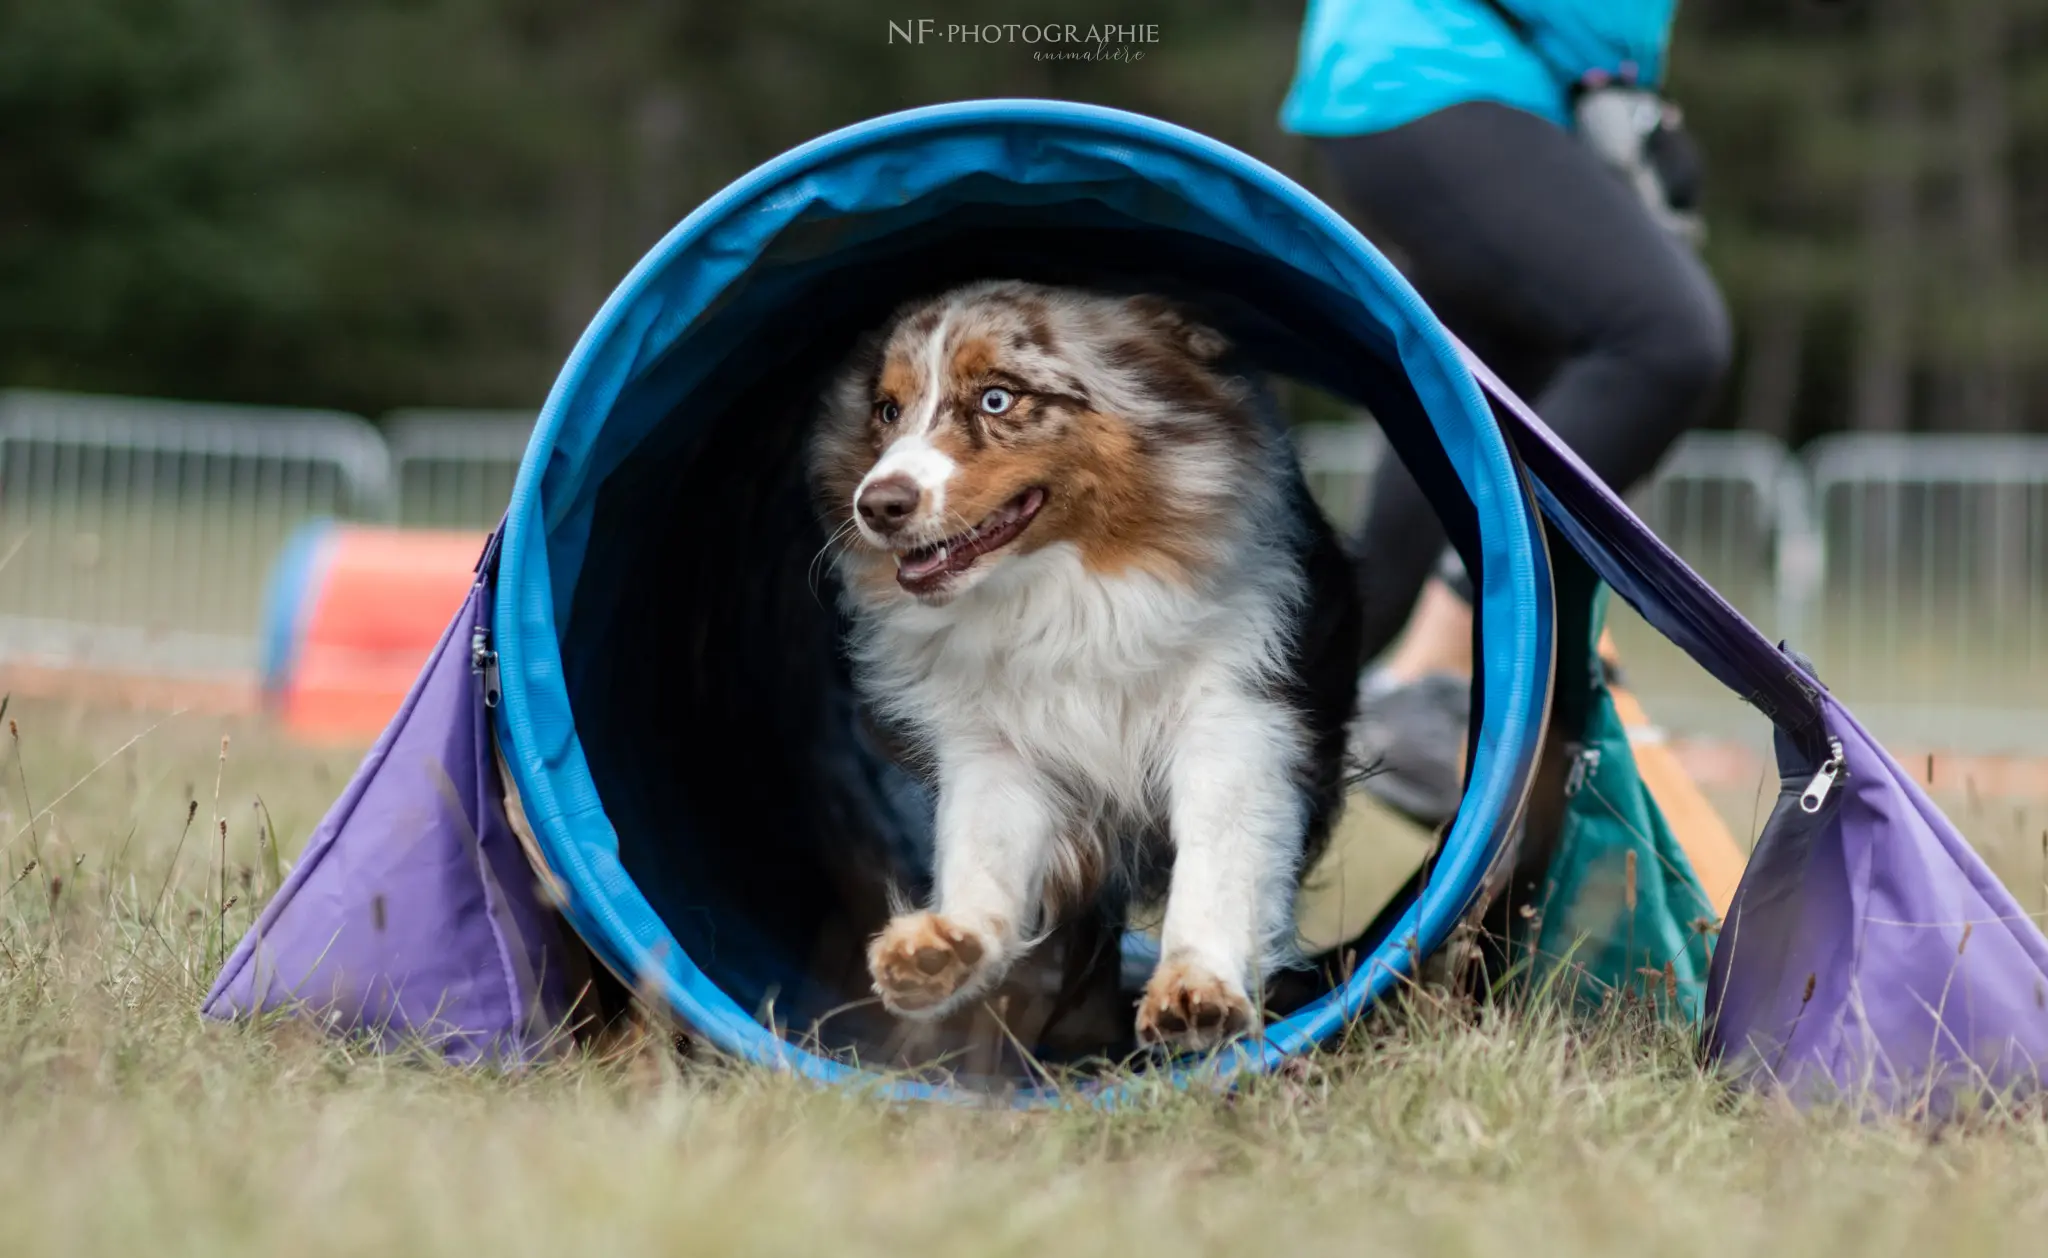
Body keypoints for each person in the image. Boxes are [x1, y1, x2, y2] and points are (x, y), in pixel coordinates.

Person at [1281, 0, 1732, 826]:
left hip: (1428, 79)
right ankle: (1432, 672)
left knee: (1478, 422)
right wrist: (1622, 83)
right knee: (1664, 338)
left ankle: (1160, 799)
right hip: (1436, 71)